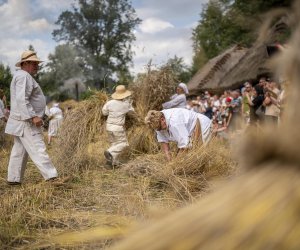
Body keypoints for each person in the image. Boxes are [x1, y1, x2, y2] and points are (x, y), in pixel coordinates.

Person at [5, 50, 58, 185]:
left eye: (37, 63)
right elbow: (22, 99)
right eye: (34, 63)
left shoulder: (22, 76)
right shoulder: (23, 76)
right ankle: (52, 177)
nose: (37, 66)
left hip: (21, 119)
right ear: (26, 63)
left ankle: (14, 179)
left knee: (19, 150)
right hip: (26, 121)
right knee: (37, 146)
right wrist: (33, 116)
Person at [145, 108, 213, 161]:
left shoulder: (175, 122)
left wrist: (176, 164)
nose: (160, 130)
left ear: (162, 119)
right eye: (158, 129)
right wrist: (170, 161)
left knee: (200, 153)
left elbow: (185, 146)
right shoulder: (157, 124)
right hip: (189, 130)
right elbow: (165, 146)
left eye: (160, 128)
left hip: (202, 124)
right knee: (191, 154)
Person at [102, 85, 135, 168]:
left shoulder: (109, 103)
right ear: (124, 95)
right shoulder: (126, 105)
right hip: (117, 127)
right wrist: (130, 103)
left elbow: (104, 113)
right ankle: (110, 152)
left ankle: (113, 163)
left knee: (114, 143)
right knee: (124, 144)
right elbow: (132, 112)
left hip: (108, 126)